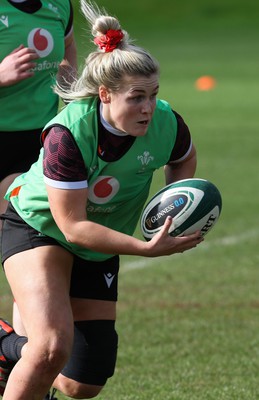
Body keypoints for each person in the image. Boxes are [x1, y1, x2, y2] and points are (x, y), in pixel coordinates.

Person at [0, 0, 204, 399]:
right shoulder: (68, 135)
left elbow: (184, 158)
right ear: (106, 95)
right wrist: (147, 248)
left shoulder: (166, 123)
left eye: (153, 95)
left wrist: (171, 205)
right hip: (39, 227)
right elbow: (73, 227)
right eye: (136, 98)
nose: (148, 107)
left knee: (82, 383)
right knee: (49, 349)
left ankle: (9, 349)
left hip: (100, 239)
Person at [0, 1, 77, 398]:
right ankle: (13, 349)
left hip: (41, 144)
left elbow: (68, 59)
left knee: (26, 259)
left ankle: (26, 367)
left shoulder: (58, 4)